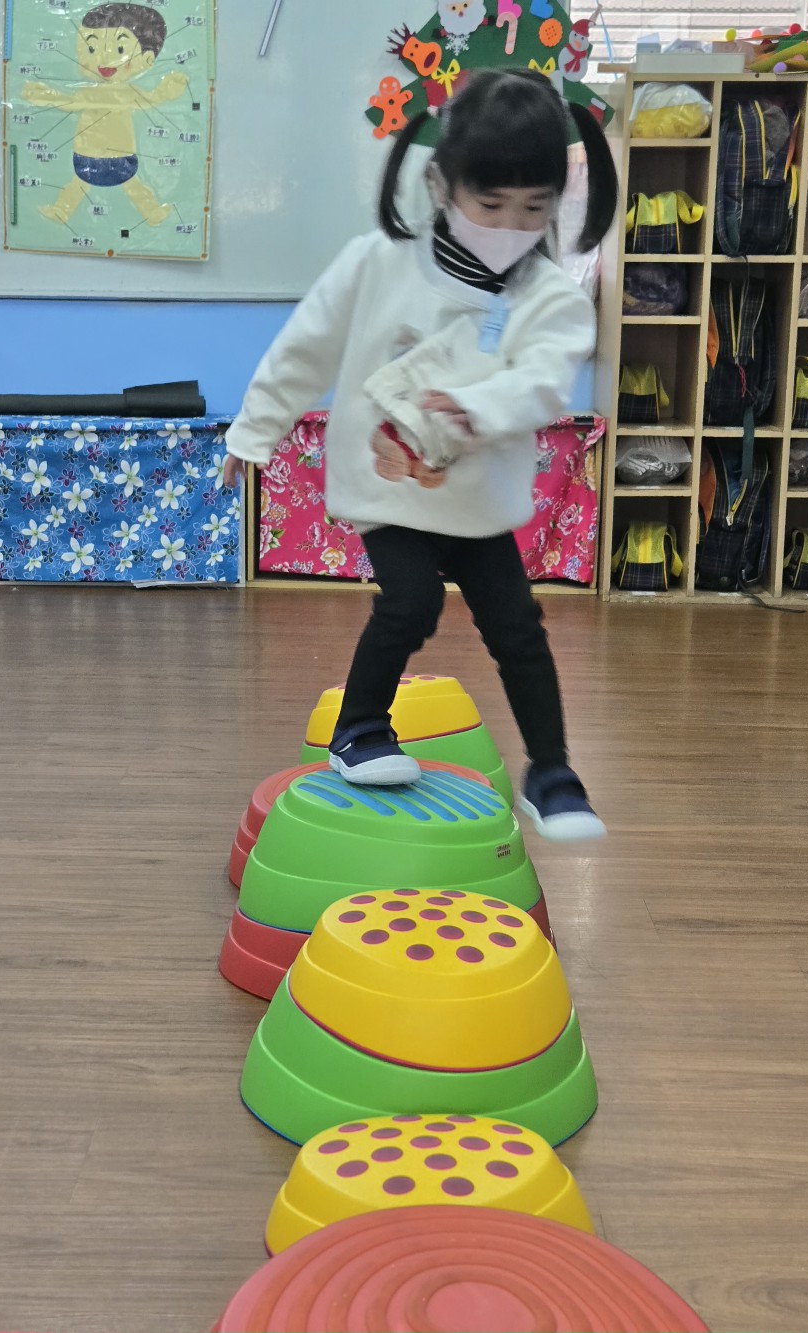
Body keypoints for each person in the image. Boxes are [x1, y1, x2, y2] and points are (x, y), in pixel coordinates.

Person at [222, 70, 617, 842]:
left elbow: (544, 381)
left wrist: (478, 408)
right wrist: (253, 431)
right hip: (391, 492)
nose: (511, 226)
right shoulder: (377, 263)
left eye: (534, 208)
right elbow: (304, 348)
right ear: (441, 184)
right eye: (490, 205)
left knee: (518, 628)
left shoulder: (548, 296)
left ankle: (552, 772)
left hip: (478, 502)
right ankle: (360, 729)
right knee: (411, 602)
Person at [22, 2, 186, 228]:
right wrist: (43, 95)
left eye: (120, 50)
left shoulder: (120, 93)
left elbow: (68, 103)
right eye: (91, 48)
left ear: (147, 58)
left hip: (104, 157)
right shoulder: (95, 92)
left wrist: (165, 92)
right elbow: (69, 103)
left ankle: (63, 211)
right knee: (126, 185)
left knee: (91, 184)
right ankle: (151, 212)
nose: (104, 60)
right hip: (96, 157)